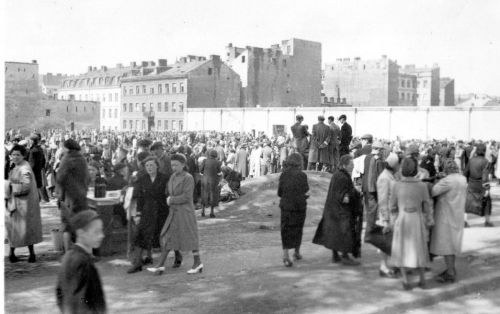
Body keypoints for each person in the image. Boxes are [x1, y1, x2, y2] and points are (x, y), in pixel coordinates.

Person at [148, 154, 203, 275]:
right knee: (168, 238)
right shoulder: (172, 177)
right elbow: (169, 191)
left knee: (190, 238)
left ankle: (197, 262)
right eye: (172, 165)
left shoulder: (188, 178)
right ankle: (160, 265)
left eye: (176, 165)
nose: (174, 167)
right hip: (174, 212)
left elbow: (187, 196)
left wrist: (171, 200)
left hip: (185, 213)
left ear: (183, 165)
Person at [390, 157, 434, 290]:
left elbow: (392, 206)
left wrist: (393, 220)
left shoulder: (396, 185)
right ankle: (422, 279)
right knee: (419, 247)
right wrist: (429, 219)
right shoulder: (421, 185)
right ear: (416, 170)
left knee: (401, 248)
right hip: (416, 219)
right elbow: (427, 205)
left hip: (402, 219)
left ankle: (405, 280)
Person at [313, 155, 363, 266]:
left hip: (332, 210)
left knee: (335, 234)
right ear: (345, 165)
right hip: (340, 211)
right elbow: (344, 197)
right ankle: (345, 256)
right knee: (345, 233)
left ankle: (335, 256)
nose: (353, 167)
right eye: (351, 165)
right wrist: (355, 194)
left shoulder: (337, 175)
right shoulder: (343, 177)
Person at [56, 210, 107, 314]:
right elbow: (81, 299)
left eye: (101, 231)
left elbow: (60, 292)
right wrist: (93, 307)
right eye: (96, 232)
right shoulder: (83, 262)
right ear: (81, 233)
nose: (102, 235)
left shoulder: (67, 256)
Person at [127, 156, 169, 273]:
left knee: (163, 237)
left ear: (157, 166)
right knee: (140, 235)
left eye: (151, 165)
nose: (149, 167)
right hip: (147, 210)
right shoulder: (143, 179)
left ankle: (165, 262)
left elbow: (168, 194)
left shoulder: (164, 178)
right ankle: (137, 263)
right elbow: (140, 197)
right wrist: (139, 213)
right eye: (147, 166)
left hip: (162, 210)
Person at [431, 159, 467, 284]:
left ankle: (450, 272)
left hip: (445, 215)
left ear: (445, 169)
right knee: (453, 243)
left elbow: (433, 191)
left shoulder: (447, 181)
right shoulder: (462, 179)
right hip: (457, 214)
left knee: (446, 245)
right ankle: (451, 269)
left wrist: (438, 180)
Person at [5, 144, 43, 263]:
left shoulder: (24, 168)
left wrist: (9, 186)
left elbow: (25, 186)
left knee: (21, 229)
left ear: (23, 156)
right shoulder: (18, 166)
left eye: (18, 155)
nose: (15, 157)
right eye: (13, 154)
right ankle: (16, 253)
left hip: (23, 204)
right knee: (20, 230)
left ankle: (27, 254)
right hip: (20, 203)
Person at [56, 139, 90, 252]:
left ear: (67, 148)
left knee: (67, 227)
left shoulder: (66, 159)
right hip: (81, 196)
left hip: (69, 197)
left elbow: (60, 178)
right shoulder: (82, 159)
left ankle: (67, 253)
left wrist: (60, 195)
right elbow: (88, 178)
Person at [278, 153, 309, 267]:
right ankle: (296, 252)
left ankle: (286, 255)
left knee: (285, 229)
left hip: (286, 206)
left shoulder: (283, 175)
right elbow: (305, 190)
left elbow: (279, 193)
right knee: (298, 229)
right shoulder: (302, 175)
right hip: (299, 207)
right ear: (299, 162)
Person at [374, 153, 401, 278]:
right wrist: (385, 219)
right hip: (387, 216)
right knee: (385, 243)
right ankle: (383, 267)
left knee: (391, 242)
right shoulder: (385, 178)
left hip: (392, 215)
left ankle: (393, 265)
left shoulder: (390, 176)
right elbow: (383, 200)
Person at [464, 143, 493, 227]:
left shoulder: (471, 160)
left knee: (467, 203)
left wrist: (466, 182)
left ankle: (464, 222)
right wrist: (487, 188)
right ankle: (487, 222)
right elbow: (485, 176)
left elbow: (465, 173)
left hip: (471, 184)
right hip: (481, 186)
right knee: (487, 202)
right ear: (484, 151)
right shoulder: (485, 161)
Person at [200, 149, 222, 218]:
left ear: (209, 155)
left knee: (204, 194)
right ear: (215, 155)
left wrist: (205, 173)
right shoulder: (217, 162)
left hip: (205, 180)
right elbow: (219, 172)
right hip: (213, 180)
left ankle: (203, 211)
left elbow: (200, 170)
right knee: (212, 195)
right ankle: (211, 212)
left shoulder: (205, 161)